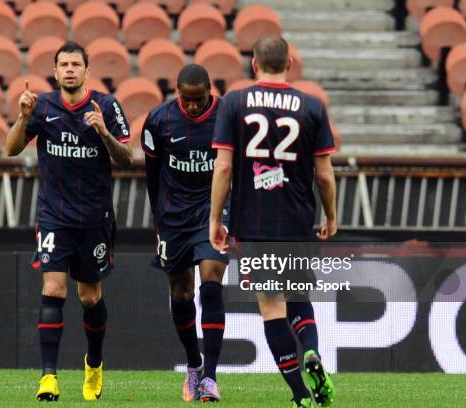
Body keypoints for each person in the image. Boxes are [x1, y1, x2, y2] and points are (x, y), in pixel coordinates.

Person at [209, 35, 337, 408]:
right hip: (297, 221)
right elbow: (325, 175)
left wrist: (216, 218)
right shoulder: (311, 106)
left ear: (254, 64)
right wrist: (331, 215)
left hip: (253, 223)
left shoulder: (234, 101)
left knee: (271, 308)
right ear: (290, 65)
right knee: (299, 297)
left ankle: (300, 395)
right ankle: (311, 350)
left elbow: (225, 166)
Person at [5, 41, 132, 402]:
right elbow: (11, 149)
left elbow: (127, 158)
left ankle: (94, 364)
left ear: (87, 70)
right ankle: (49, 377)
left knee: (90, 296)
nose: (70, 70)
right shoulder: (41, 105)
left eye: (77, 64)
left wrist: (104, 133)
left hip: (94, 218)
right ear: (56, 71)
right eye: (64, 65)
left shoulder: (105, 106)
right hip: (54, 216)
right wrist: (22, 117)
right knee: (54, 289)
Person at [141, 64, 227, 402]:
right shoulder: (158, 120)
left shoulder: (226, 116)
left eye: (199, 99)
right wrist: (158, 220)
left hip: (212, 213)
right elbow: (151, 176)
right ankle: (194, 364)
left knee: (211, 282)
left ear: (210, 91)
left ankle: (210, 377)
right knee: (180, 294)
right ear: (177, 92)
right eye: (186, 100)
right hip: (173, 217)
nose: (192, 106)